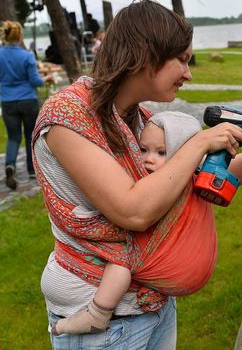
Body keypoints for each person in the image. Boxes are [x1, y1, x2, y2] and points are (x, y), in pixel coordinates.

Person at [32, 0, 242, 349]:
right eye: (181, 60)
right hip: (104, 323)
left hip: (152, 305)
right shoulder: (67, 115)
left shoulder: (136, 119)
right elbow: (132, 210)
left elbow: (199, 181)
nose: (189, 73)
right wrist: (197, 144)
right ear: (145, 54)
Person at [52, 111, 203, 335]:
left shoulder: (179, 181)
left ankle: (97, 314)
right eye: (143, 150)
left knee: (121, 263)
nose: (148, 158)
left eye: (162, 152)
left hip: (152, 244)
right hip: (149, 244)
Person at [0, 20, 53, 190]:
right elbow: (35, 81)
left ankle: (10, 165)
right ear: (20, 36)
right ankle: (32, 170)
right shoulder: (27, 56)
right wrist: (47, 78)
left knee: (13, 136)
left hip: (8, 101)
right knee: (31, 136)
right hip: (28, 99)